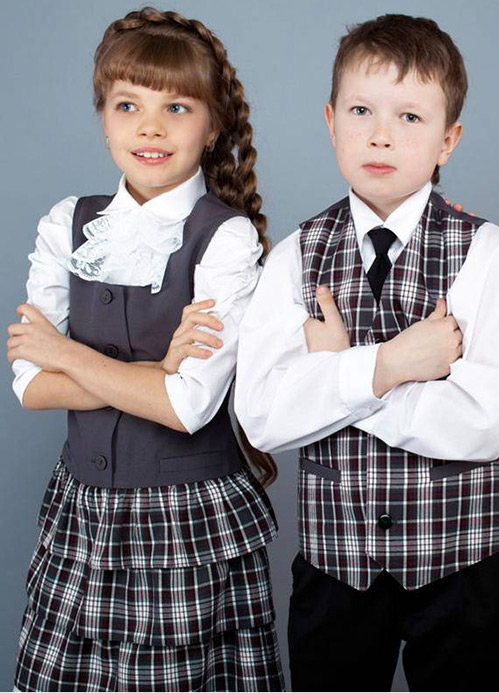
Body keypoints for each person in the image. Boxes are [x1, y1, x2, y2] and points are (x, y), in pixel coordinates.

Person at [234, 13, 499, 692]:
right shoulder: (292, 258)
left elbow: (483, 425)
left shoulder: (490, 255)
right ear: (331, 119)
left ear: (448, 139)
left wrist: (335, 377)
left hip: (465, 566)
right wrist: (391, 364)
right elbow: (262, 417)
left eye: (410, 117)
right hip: (336, 567)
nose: (381, 133)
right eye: (362, 110)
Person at [7, 8, 283, 691]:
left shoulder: (226, 239)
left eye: (177, 106)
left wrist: (69, 353)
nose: (150, 127)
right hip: (82, 513)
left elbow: (186, 407)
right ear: (103, 114)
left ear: (213, 124)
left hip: (183, 518)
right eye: (128, 104)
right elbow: (29, 386)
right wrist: (153, 370)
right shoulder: (65, 223)